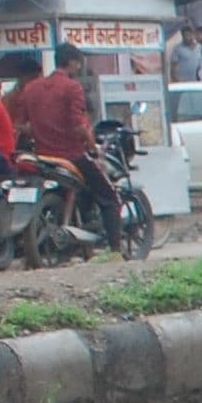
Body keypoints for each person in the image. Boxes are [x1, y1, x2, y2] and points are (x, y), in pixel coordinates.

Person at [19, 43, 118, 252]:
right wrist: (93, 148)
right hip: (71, 155)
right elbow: (78, 126)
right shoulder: (72, 87)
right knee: (109, 197)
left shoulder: (32, 88)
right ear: (73, 62)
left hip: (41, 155)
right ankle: (116, 249)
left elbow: (26, 127)